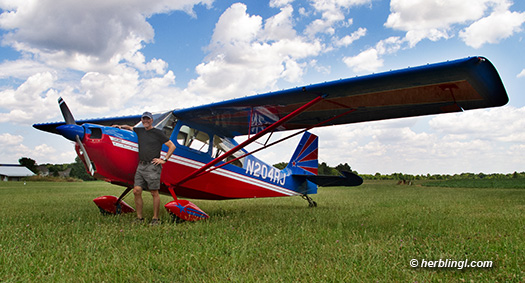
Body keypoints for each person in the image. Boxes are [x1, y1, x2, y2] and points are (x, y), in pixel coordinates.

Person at [113, 111, 176, 225]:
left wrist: (164, 159)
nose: (145, 121)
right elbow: (131, 128)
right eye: (143, 119)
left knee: (154, 192)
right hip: (141, 165)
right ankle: (139, 218)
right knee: (136, 191)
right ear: (142, 121)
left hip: (153, 166)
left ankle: (155, 219)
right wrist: (120, 127)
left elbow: (172, 146)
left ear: (151, 120)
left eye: (148, 119)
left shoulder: (158, 133)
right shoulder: (140, 131)